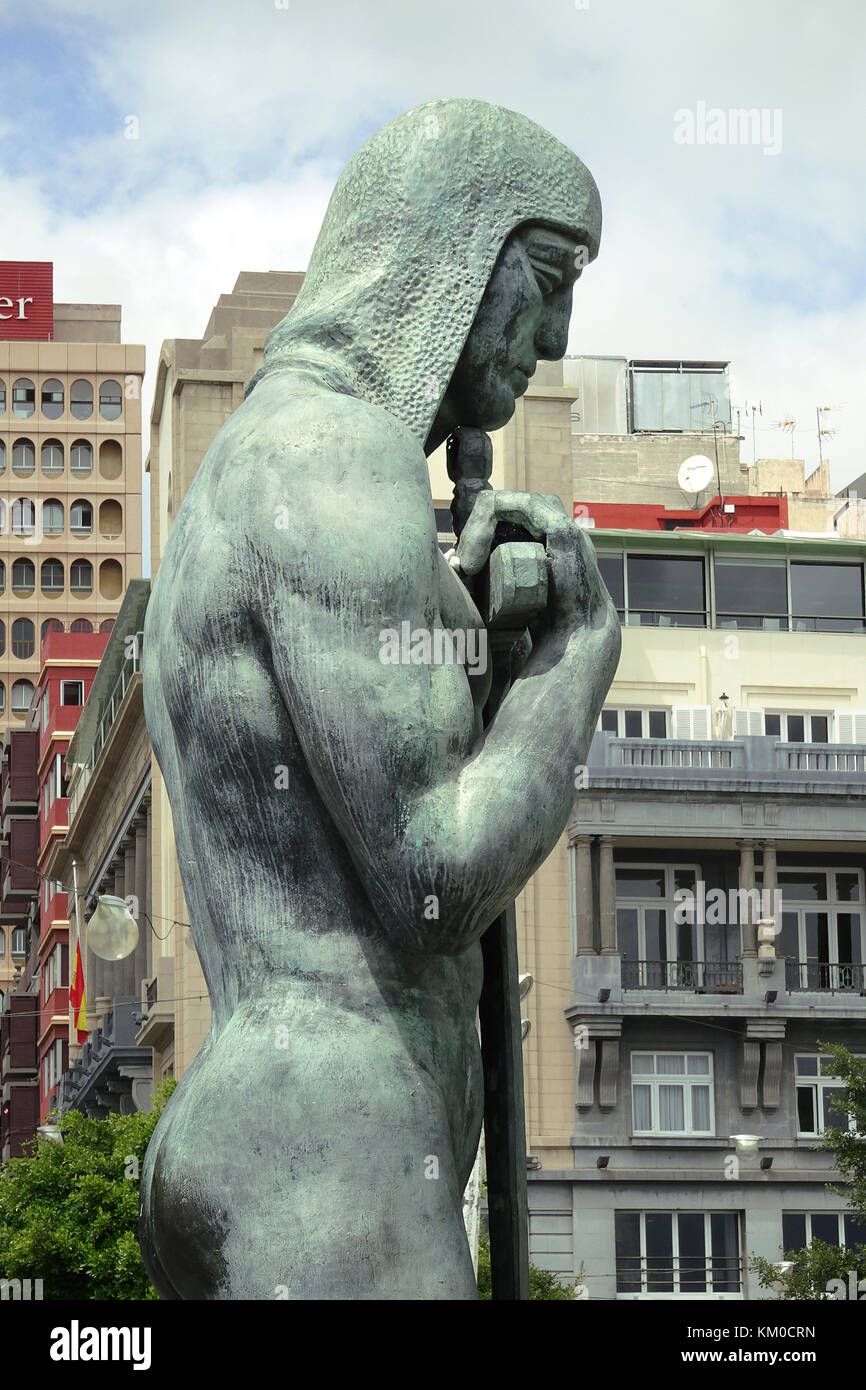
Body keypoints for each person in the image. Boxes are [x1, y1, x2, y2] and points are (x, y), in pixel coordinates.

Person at [140, 98, 621, 1300]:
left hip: (281, 1124)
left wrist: (455, 629)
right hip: (334, 1144)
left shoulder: (246, 471)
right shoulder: (334, 455)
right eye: (548, 275)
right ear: (455, 253)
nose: (555, 337)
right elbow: (434, 871)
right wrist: (574, 660)